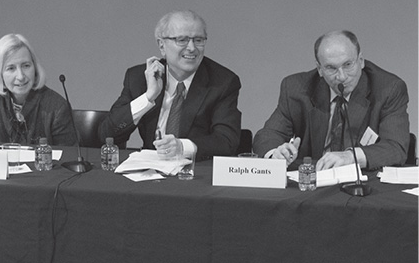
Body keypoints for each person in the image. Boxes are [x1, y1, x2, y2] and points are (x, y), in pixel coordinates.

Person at [254, 30, 409, 170]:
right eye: (331, 68)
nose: (341, 77)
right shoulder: (296, 88)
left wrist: (350, 157)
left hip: (362, 184)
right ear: (320, 69)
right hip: (313, 183)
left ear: (361, 61)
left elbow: (396, 148)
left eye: (348, 65)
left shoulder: (388, 89)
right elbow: (266, 135)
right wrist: (276, 154)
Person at [97, 10, 241, 161]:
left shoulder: (222, 82)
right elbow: (107, 134)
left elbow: (227, 141)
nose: (192, 48)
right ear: (161, 46)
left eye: (198, 40)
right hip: (150, 171)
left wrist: (183, 147)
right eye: (182, 40)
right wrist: (148, 97)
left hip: (194, 171)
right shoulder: (139, 77)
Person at [0, 34, 76, 146]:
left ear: (35, 68)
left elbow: (68, 158)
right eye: (11, 68)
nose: (20, 76)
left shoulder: (57, 108)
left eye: (26, 66)